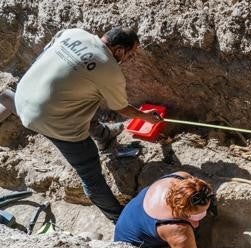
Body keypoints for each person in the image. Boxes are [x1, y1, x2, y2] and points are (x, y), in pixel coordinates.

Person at [11, 27, 162, 221]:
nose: (129, 60)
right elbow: (121, 108)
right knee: (90, 172)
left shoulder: (74, 33)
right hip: (45, 118)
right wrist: (145, 117)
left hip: (23, 95)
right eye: (130, 55)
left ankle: (104, 135)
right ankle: (119, 218)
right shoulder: (110, 69)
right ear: (119, 51)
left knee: (83, 95)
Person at [114, 171, 233, 248]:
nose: (203, 216)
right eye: (198, 214)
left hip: (132, 220)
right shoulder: (176, 227)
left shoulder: (181, 177)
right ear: (182, 212)